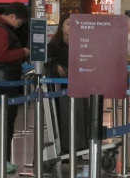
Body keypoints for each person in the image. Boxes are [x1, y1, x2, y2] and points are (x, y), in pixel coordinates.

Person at [0, 2, 30, 174]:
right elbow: (1, 55)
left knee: (0, 121)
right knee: (4, 122)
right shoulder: (0, 30)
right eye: (20, 22)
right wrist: (23, 52)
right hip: (4, 82)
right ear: (12, 17)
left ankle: (0, 159)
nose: (19, 26)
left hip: (1, 81)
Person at [48, 14, 88, 160]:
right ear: (61, 26)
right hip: (62, 88)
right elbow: (47, 63)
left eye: (74, 24)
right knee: (64, 117)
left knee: (81, 116)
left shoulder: (83, 43)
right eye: (67, 24)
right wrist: (56, 67)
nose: (71, 27)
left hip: (81, 86)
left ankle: (81, 146)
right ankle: (65, 148)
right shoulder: (54, 45)